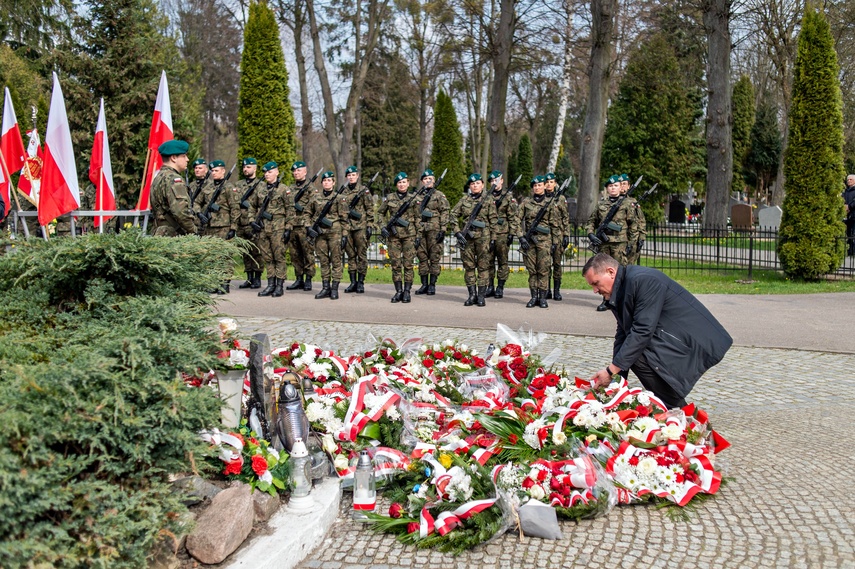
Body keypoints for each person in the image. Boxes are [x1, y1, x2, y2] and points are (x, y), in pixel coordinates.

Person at [583, 253, 732, 409]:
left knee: (638, 355)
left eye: (596, 283)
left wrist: (611, 370)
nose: (594, 290)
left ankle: (681, 416)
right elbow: (623, 333)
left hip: (693, 340)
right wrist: (615, 378)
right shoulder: (618, 290)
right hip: (668, 337)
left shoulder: (643, 280)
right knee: (633, 354)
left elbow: (642, 331)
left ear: (611, 272)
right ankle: (678, 413)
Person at [585, 174, 640, 311]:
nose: (613, 188)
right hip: (604, 243)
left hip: (620, 243)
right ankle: (606, 300)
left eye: (615, 185)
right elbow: (591, 221)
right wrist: (591, 234)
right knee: (603, 273)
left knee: (620, 272)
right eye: (610, 186)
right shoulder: (601, 205)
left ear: (620, 187)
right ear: (607, 189)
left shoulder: (627, 204)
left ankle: (622, 300)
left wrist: (631, 244)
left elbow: (634, 225)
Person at [451, 173, 498, 306]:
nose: (475, 185)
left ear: (482, 185)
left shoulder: (488, 200)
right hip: (467, 238)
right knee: (469, 267)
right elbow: (453, 215)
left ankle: (481, 296)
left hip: (484, 238)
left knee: (483, 267)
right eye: (472, 184)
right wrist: (457, 232)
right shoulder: (464, 200)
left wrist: (493, 239)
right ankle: (472, 295)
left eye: (477, 183)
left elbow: (494, 221)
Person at [517, 175, 562, 308]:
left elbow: (554, 224)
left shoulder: (550, 203)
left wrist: (555, 243)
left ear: (544, 186)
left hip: (545, 241)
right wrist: (521, 237)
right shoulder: (526, 203)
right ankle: (533, 297)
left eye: (539, 185)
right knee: (532, 271)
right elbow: (515, 220)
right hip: (529, 242)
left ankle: (542, 298)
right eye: (535, 186)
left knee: (543, 270)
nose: (537, 187)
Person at [198, 160, 240, 292]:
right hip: (209, 226)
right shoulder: (207, 187)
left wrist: (233, 228)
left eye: (216, 170)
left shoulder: (228, 187)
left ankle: (224, 283)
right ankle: (213, 282)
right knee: (211, 255)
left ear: (223, 171)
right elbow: (196, 202)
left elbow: (235, 208)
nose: (214, 173)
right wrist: (199, 214)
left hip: (224, 226)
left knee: (224, 255)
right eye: (212, 171)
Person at [250, 161, 291, 298]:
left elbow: (290, 210)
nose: (267, 174)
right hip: (263, 228)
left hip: (278, 228)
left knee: (278, 257)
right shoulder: (260, 190)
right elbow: (252, 206)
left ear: (277, 172)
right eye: (265, 172)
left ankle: (279, 286)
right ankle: (270, 284)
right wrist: (252, 221)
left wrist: (288, 228)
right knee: (267, 257)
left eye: (270, 171)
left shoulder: (283, 189)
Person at [377, 172, 419, 303]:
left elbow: (419, 218)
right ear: (396, 184)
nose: (402, 184)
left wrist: (418, 235)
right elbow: (380, 213)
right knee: (395, 265)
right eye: (399, 182)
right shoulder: (390, 198)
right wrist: (383, 227)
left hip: (409, 235)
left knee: (408, 264)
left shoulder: (413, 198)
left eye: (404, 182)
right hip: (393, 236)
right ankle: (398, 291)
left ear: (408, 183)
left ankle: (407, 292)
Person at [309, 171, 348, 300]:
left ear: (333, 182)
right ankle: (325, 288)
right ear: (322, 183)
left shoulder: (339, 198)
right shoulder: (315, 197)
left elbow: (344, 219)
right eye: (324, 181)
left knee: (336, 260)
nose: (326, 183)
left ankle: (335, 288)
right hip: (320, 233)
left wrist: (345, 235)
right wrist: (309, 227)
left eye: (329, 180)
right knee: (323, 261)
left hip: (334, 232)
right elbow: (306, 213)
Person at [150, 139, 197, 237]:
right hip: (173, 236)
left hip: (160, 233)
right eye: (184, 156)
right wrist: (193, 231)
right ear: (174, 158)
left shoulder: (159, 177)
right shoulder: (174, 179)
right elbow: (180, 212)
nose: (187, 159)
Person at [414, 168, 450, 296]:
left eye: (430, 179)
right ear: (422, 181)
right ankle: (424, 284)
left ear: (434, 181)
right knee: (422, 257)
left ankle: (432, 285)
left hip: (435, 230)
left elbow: (445, 212)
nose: (428, 181)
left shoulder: (439, 195)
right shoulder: (417, 196)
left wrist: (443, 229)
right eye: (425, 179)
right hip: (420, 230)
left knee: (434, 258)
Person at [484, 171, 519, 299]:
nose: (495, 183)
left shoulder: (508, 197)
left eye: (497, 180)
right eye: (492, 181)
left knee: (502, 261)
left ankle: (500, 287)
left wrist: (511, 233)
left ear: (502, 181)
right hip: (487, 234)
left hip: (502, 234)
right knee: (488, 261)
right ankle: (490, 286)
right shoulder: (486, 197)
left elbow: (513, 218)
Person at [341, 165, 374, 294]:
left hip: (360, 227)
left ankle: (361, 282)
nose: (351, 177)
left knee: (361, 255)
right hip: (347, 227)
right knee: (350, 255)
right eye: (349, 175)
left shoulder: (364, 191)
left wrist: (370, 225)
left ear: (357, 176)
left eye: (353, 175)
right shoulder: (343, 192)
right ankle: (353, 282)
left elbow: (370, 209)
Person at [285, 161, 317, 291]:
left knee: (307, 253)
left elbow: (315, 208)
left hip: (304, 226)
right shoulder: (290, 189)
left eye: (298, 170)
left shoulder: (311, 189)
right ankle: (299, 278)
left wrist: (311, 226)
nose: (296, 173)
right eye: (294, 171)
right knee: (295, 254)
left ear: (305, 172)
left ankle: (308, 279)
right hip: (293, 226)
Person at [235, 157, 264, 289]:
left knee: (256, 251)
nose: (246, 169)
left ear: (255, 168)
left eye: (249, 167)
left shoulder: (260, 185)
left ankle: (257, 277)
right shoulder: (239, 185)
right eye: (244, 167)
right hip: (241, 222)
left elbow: (262, 206)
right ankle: (249, 278)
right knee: (245, 252)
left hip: (253, 223)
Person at [543, 172, 570, 301]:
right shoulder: (541, 198)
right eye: (547, 182)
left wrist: (566, 234)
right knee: (546, 264)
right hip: (545, 236)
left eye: (551, 182)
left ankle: (557, 290)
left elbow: (565, 217)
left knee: (557, 264)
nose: (549, 184)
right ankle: (546, 289)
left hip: (558, 236)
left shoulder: (561, 198)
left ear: (555, 183)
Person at [619, 173, 646, 264]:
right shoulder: (611, 201)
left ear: (628, 186)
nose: (622, 186)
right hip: (616, 240)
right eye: (620, 183)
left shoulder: (633, 202)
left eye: (624, 184)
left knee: (629, 267)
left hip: (631, 240)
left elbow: (641, 220)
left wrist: (641, 238)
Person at [843, 174, 855, 256]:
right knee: (848, 234)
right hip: (847, 215)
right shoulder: (846, 191)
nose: (849, 181)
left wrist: (849, 206)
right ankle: (849, 250)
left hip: (854, 215)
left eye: (851, 179)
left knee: (853, 233)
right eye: (848, 179)